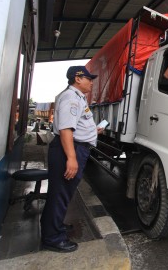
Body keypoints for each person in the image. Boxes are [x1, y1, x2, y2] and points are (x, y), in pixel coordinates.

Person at [40, 65, 103, 253]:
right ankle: (52, 238)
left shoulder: (76, 97)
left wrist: (93, 130)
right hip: (68, 149)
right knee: (59, 195)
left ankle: (54, 227)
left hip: (71, 147)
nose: (91, 82)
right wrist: (72, 158)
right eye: (88, 78)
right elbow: (66, 129)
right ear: (78, 78)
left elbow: (76, 125)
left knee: (62, 193)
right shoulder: (71, 98)